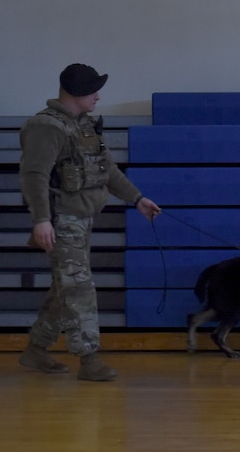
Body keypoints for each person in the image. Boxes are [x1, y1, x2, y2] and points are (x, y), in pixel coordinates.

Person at [18, 63, 162, 380]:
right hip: (61, 220)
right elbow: (34, 176)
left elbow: (106, 169)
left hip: (82, 218)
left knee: (64, 288)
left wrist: (137, 198)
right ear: (77, 92)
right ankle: (89, 358)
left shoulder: (82, 125)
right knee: (79, 288)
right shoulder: (47, 127)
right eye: (93, 91)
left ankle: (36, 350)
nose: (98, 97)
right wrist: (41, 220)